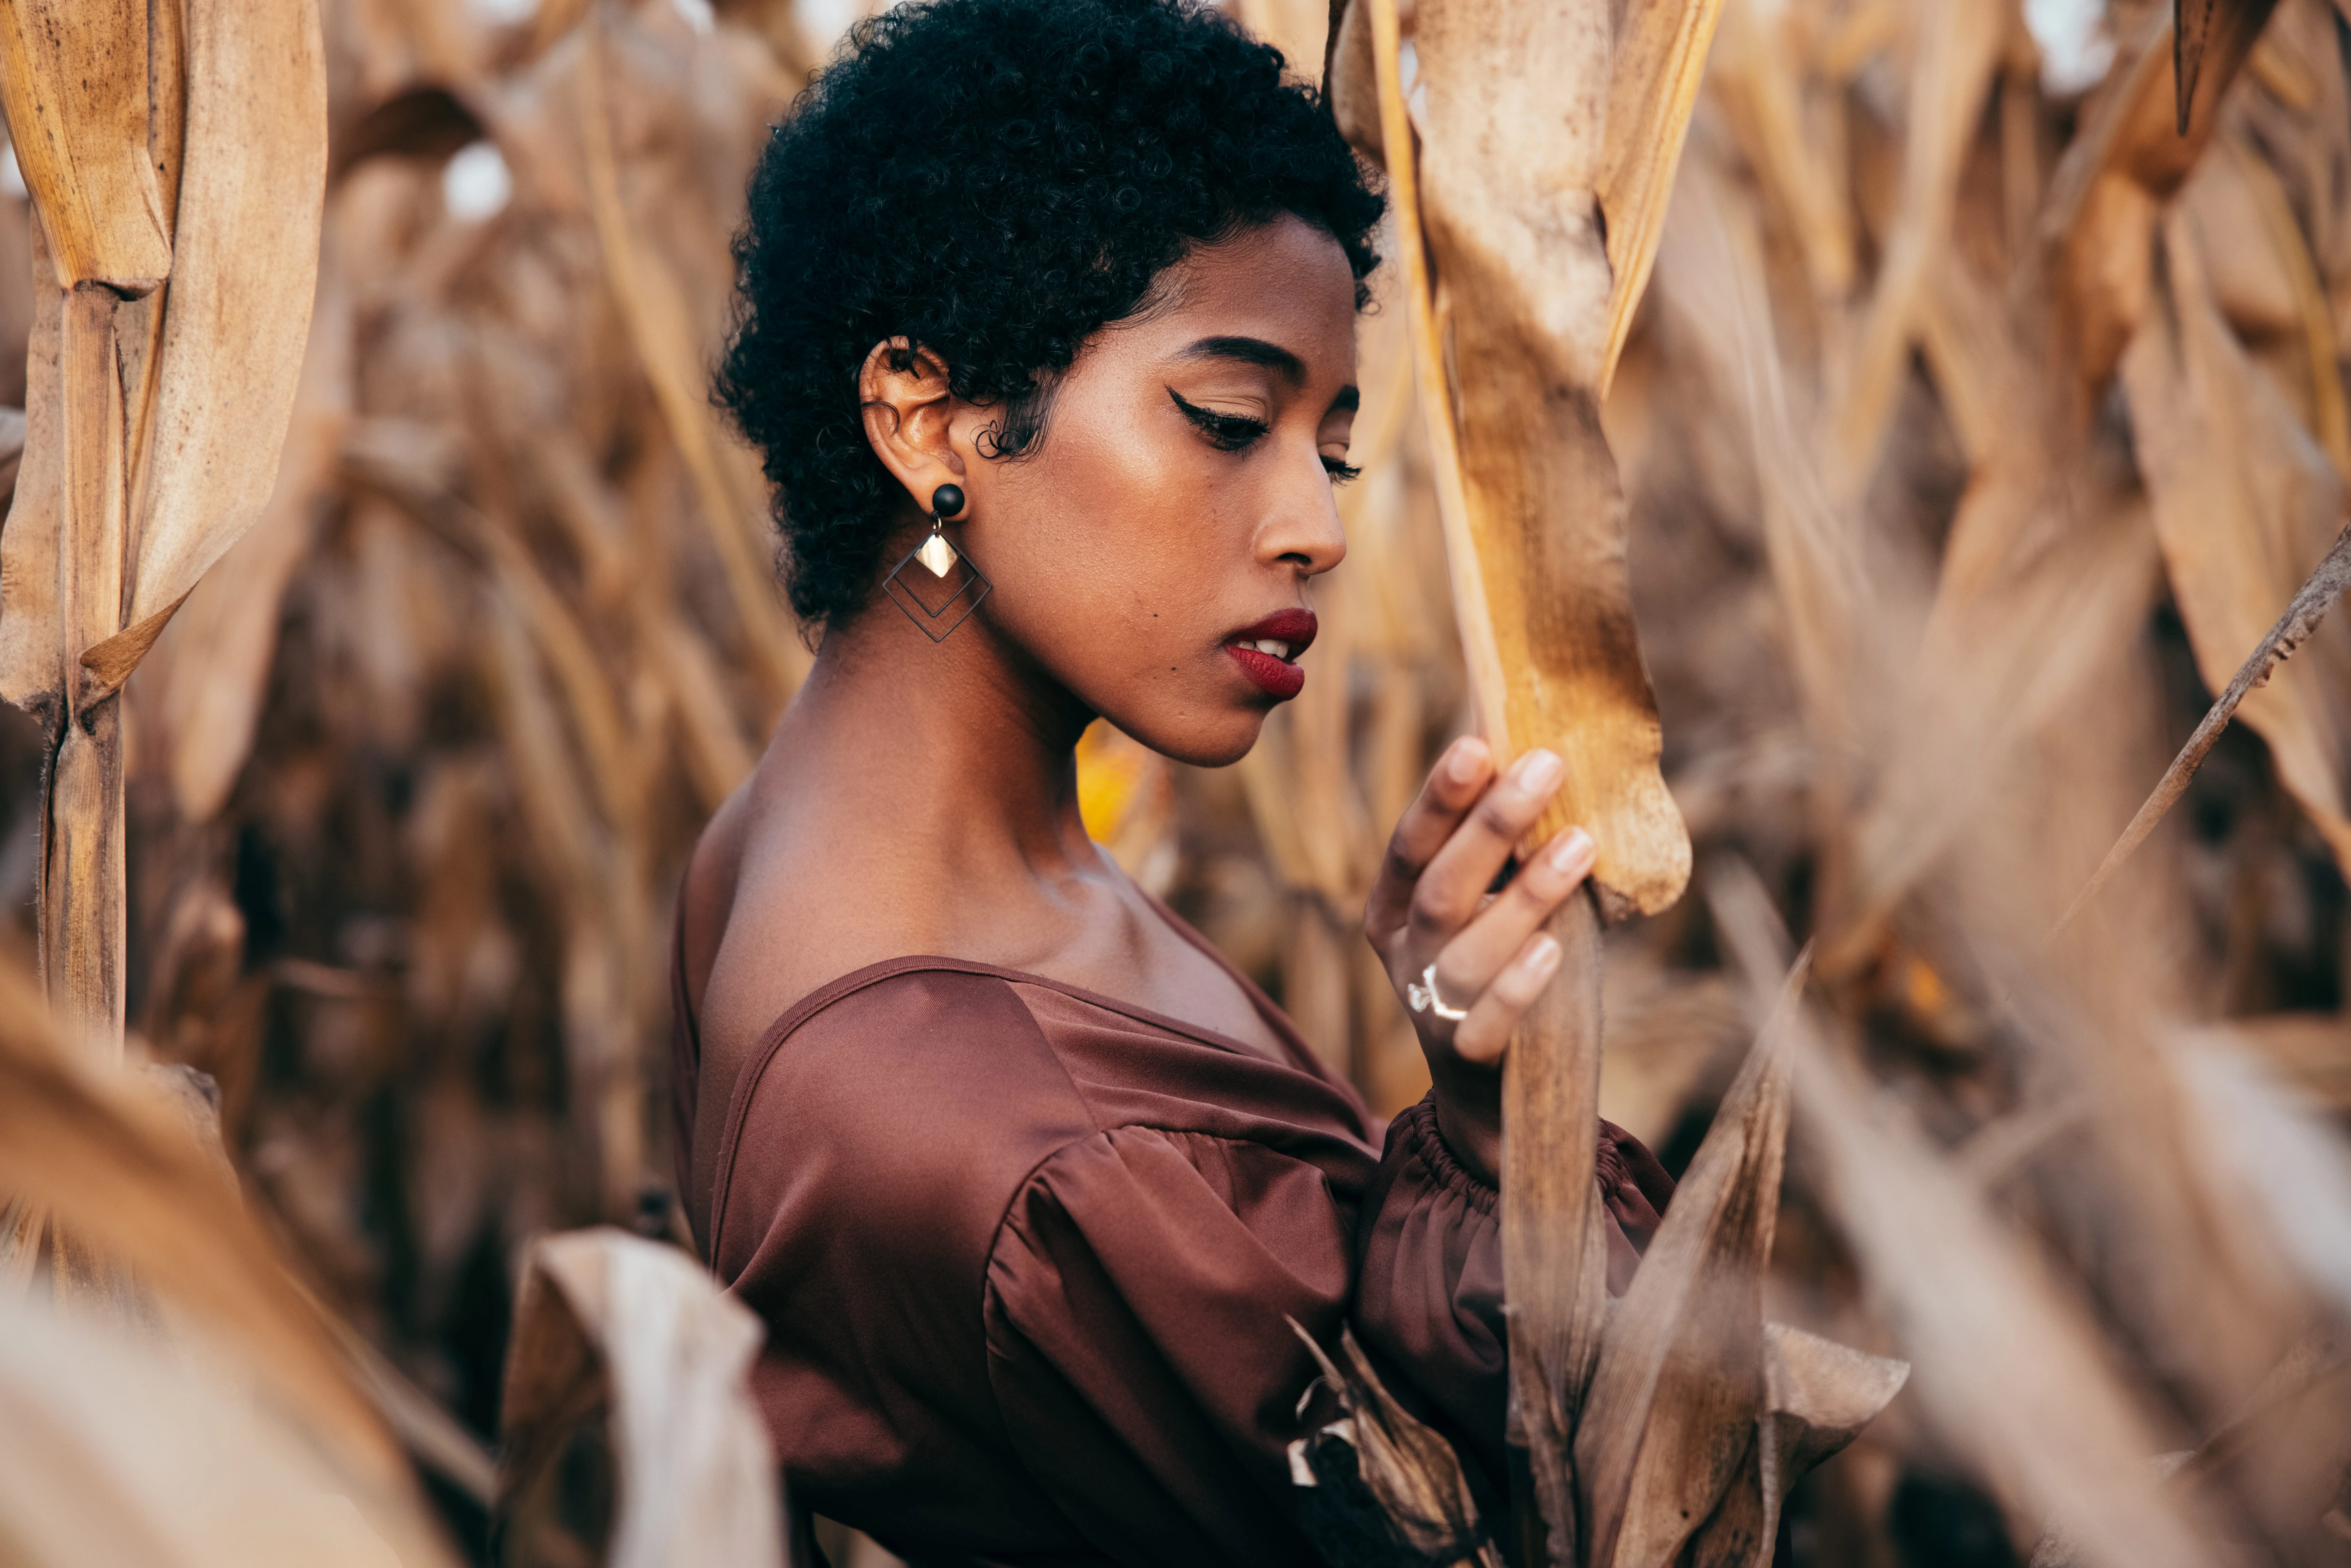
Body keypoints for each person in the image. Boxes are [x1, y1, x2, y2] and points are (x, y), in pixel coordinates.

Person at [674, 0, 1673, 1559]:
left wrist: (1459, 1056)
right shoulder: (1017, 1154)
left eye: (1326, 447)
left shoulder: (811, 844)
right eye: (1223, 420)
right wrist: (1495, 1150)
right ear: (928, 418)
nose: (1316, 527)